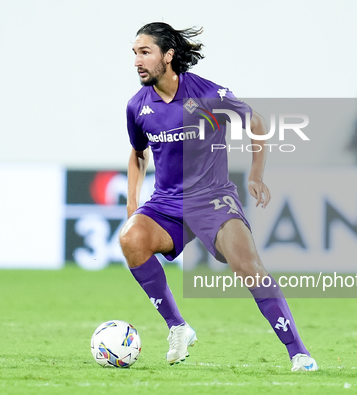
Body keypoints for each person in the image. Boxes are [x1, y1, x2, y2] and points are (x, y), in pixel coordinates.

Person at [119, 22, 318, 372]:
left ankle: (298, 353)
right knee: (130, 238)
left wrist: (256, 174)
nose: (138, 60)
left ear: (168, 55)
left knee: (248, 267)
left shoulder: (207, 94)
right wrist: (133, 202)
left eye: (145, 52)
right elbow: (138, 153)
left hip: (212, 199)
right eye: (135, 53)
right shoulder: (137, 107)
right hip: (167, 203)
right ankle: (178, 327)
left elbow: (256, 123)